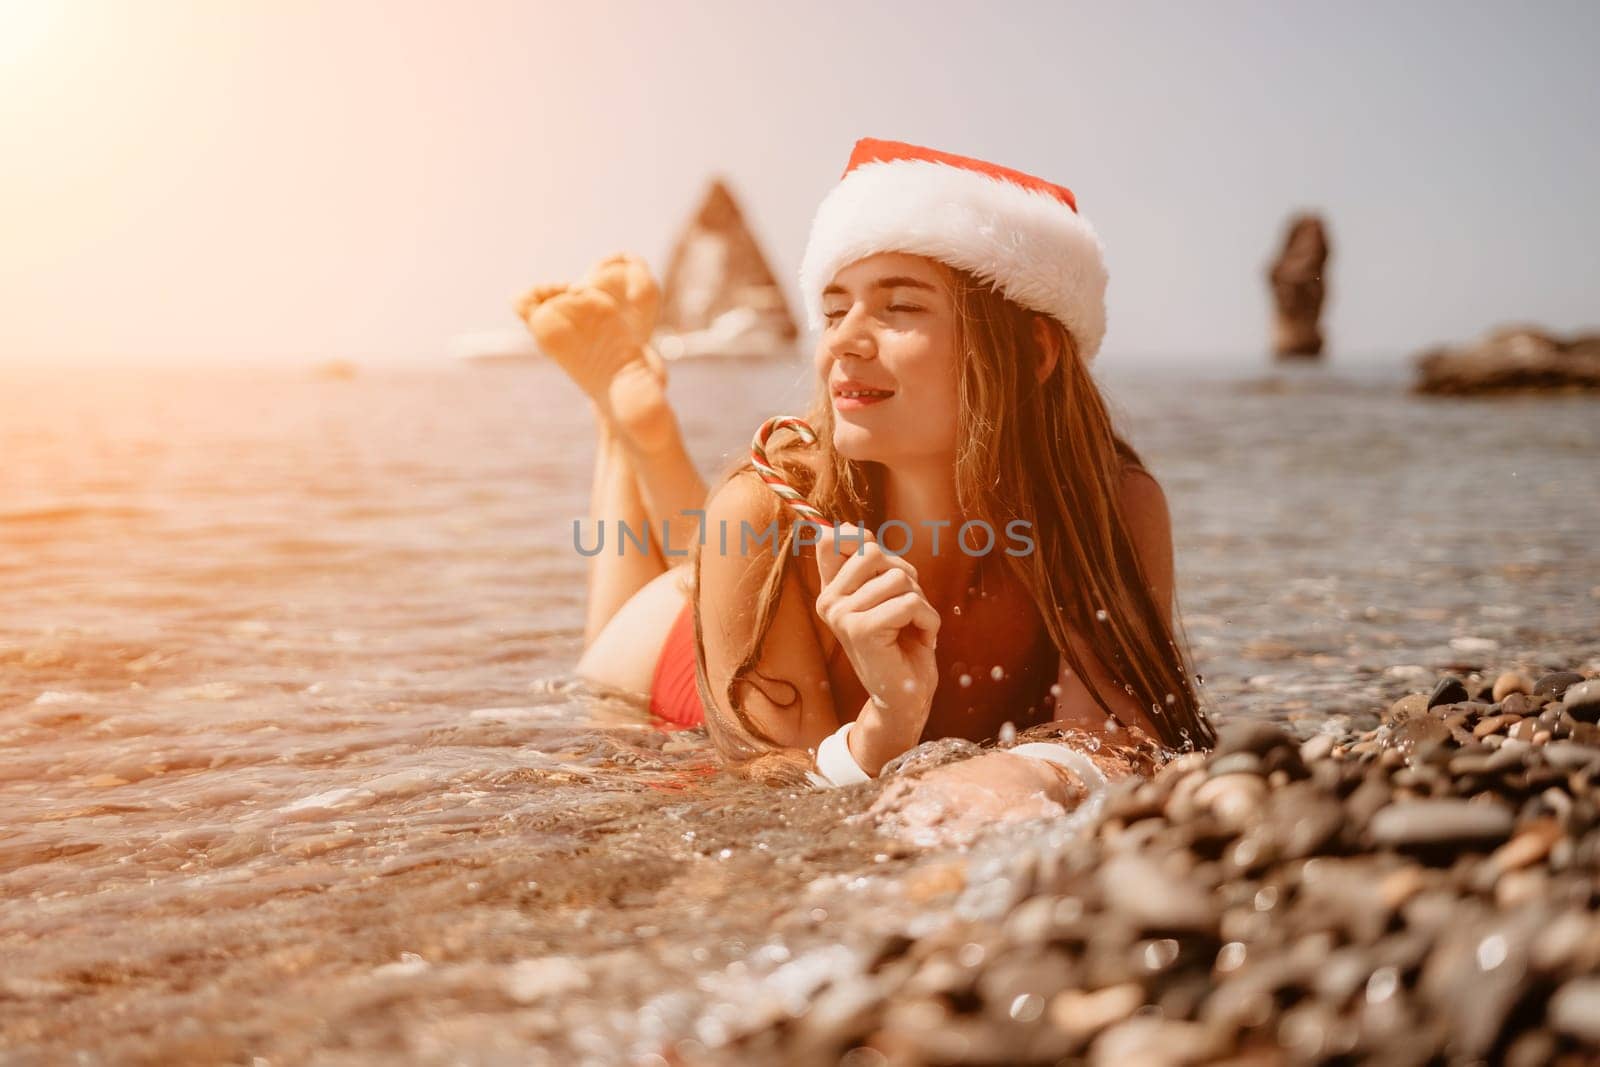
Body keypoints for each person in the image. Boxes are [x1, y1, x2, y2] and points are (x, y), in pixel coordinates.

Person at [517, 137, 1215, 812]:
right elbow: (773, 792)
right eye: (832, 309)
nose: (843, 339)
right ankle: (626, 430)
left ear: (1034, 351)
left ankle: (631, 424)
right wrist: (886, 722)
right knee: (691, 581)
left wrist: (1029, 772)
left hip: (761, 592)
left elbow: (1122, 737)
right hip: (668, 670)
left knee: (721, 553)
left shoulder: (1108, 503)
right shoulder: (763, 508)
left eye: (900, 306)